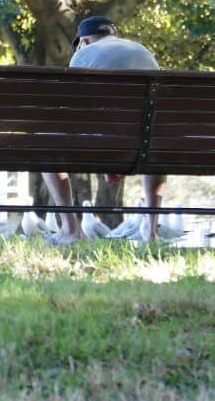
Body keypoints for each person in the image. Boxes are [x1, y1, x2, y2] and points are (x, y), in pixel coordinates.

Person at [42, 15, 166, 244]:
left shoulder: (83, 55)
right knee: (153, 147)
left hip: (102, 142)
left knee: (47, 152)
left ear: (85, 41)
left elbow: (76, 113)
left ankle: (70, 230)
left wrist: (106, 157)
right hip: (145, 144)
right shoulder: (143, 51)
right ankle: (151, 232)